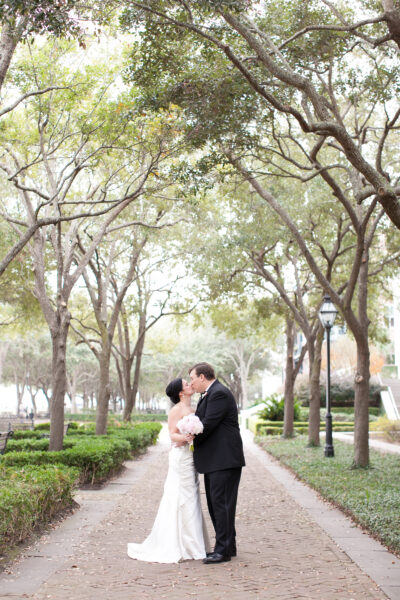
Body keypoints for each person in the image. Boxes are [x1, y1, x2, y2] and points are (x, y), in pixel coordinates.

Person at [127, 377, 209, 563]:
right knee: (179, 495)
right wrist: (186, 437)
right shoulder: (176, 410)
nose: (190, 385)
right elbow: (171, 434)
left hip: (191, 456)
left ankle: (194, 545)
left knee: (192, 496)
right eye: (186, 384)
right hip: (180, 457)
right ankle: (178, 545)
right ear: (181, 392)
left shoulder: (195, 409)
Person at [189, 362, 245, 564]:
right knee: (217, 505)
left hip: (224, 459)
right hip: (216, 460)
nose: (192, 383)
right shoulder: (210, 394)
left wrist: (190, 435)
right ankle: (228, 545)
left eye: (193, 379)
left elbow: (208, 424)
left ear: (202, 377)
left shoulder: (219, 393)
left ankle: (223, 550)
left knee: (222, 505)